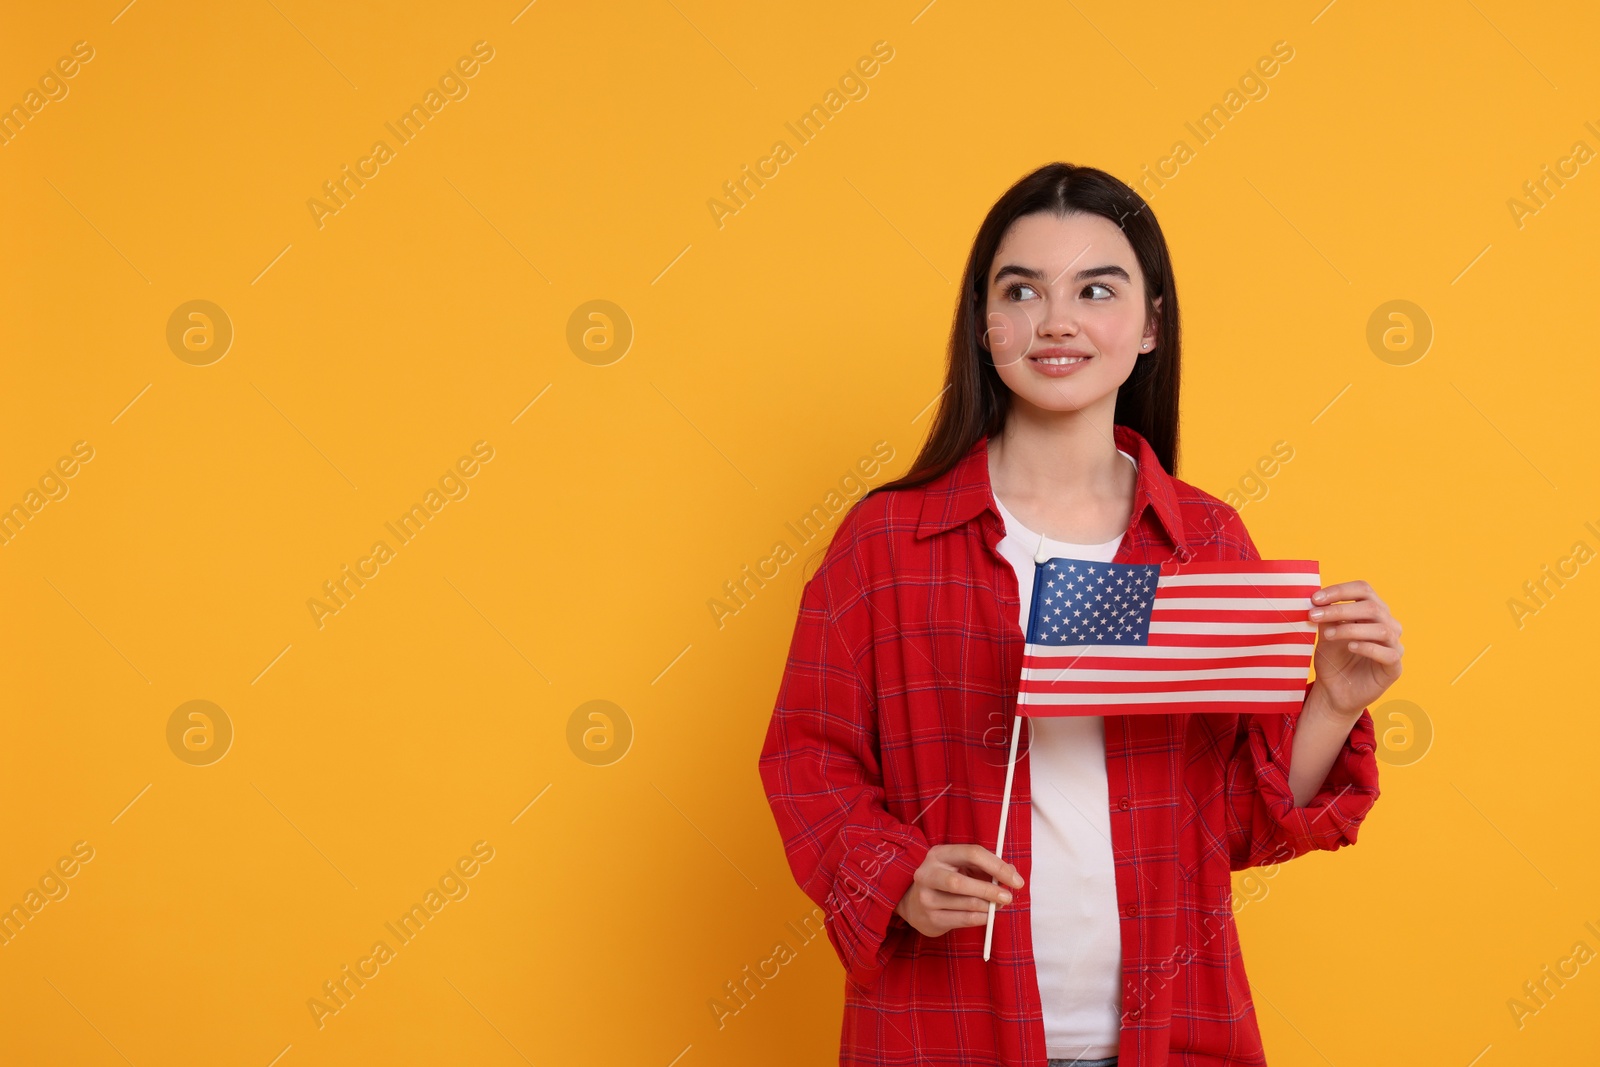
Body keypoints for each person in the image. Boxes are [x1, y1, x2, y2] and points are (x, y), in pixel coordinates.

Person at [757, 162, 1401, 1066]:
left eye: (1097, 288)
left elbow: (1238, 823)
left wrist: (1331, 702)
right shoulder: (884, 542)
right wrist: (896, 875)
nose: (1056, 320)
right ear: (986, 326)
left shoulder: (1204, 539)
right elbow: (807, 756)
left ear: (1149, 325)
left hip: (1170, 1030)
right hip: (947, 1029)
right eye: (1022, 290)